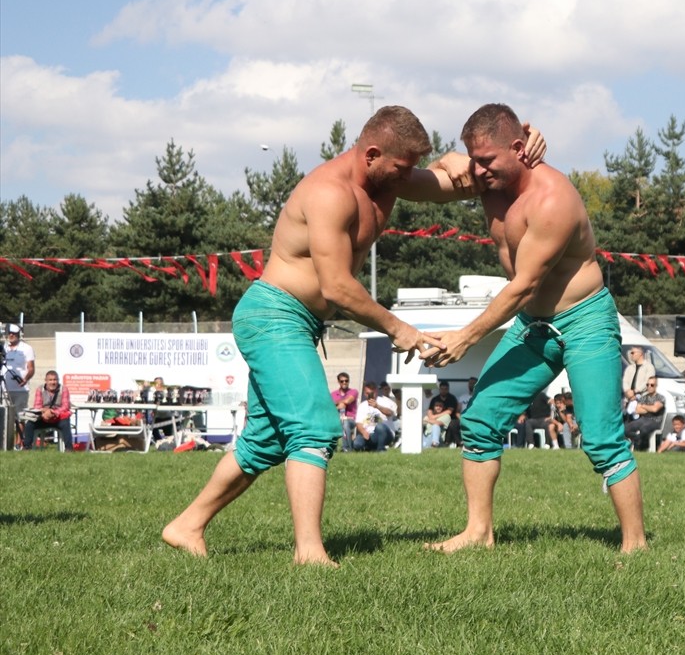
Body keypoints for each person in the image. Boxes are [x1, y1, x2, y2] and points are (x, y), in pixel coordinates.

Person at [162, 105, 544, 566]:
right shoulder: (329, 193)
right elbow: (337, 286)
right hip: (273, 315)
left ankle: (186, 526)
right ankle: (309, 553)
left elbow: (459, 180)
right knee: (314, 429)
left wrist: (523, 139)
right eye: (402, 168)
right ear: (373, 154)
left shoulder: (387, 180)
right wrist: (399, 328)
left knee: (264, 441)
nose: (409, 177)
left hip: (301, 322)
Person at [420, 104, 645, 554]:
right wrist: (453, 158)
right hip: (533, 326)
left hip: (584, 319)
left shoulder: (552, 199)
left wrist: (464, 338)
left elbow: (523, 287)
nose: (479, 171)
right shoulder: (488, 179)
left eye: (488, 160)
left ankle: (634, 544)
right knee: (480, 420)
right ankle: (478, 532)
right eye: (475, 159)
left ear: (519, 149)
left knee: (600, 437)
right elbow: (433, 174)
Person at [20, 370, 72, 450]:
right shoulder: (40, 389)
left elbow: (65, 406)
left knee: (66, 423)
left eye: (55, 380)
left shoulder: (64, 389)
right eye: (50, 380)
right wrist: (45, 412)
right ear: (46, 381)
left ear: (58, 380)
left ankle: (69, 449)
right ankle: (27, 447)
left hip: (58, 418)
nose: (53, 382)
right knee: (29, 424)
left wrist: (53, 412)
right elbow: (37, 406)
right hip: (43, 417)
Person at [3, 324, 35, 449]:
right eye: (9, 333)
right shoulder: (4, 347)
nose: (11, 336)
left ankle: (18, 443)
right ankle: (6, 442)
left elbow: (31, 368)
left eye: (14, 334)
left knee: (19, 416)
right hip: (5, 388)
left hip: (20, 389)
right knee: (5, 417)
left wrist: (25, 379)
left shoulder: (26, 348)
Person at [624, 377, 665, 450]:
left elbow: (655, 409)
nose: (649, 386)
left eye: (652, 385)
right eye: (647, 385)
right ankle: (637, 440)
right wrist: (650, 408)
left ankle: (640, 446)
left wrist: (643, 406)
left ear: (656, 385)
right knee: (625, 429)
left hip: (655, 421)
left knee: (644, 429)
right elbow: (637, 410)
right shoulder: (643, 397)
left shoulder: (660, 397)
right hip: (643, 419)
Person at [353, 382, 397, 451]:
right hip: (369, 433)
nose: (370, 396)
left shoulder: (384, 401)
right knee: (357, 444)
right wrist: (364, 432)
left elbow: (390, 413)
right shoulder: (362, 406)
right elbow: (359, 423)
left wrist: (378, 406)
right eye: (367, 394)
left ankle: (380, 450)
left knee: (379, 426)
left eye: (372, 393)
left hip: (385, 433)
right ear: (364, 393)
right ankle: (371, 447)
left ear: (375, 392)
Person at [330, 372, 358, 451]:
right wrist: (340, 405)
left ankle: (347, 448)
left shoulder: (353, 392)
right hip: (337, 418)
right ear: (338, 382)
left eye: (346, 380)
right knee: (332, 423)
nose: (344, 382)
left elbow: (348, 401)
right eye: (342, 381)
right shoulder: (333, 394)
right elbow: (330, 406)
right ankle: (332, 448)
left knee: (345, 423)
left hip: (351, 419)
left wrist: (337, 403)